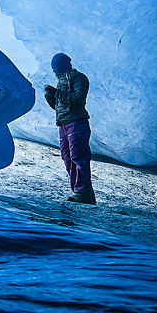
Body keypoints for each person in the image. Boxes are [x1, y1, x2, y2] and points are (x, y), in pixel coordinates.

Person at [43, 53, 96, 205]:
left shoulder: (79, 78)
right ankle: (82, 193)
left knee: (78, 157)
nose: (55, 71)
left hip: (77, 122)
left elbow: (78, 99)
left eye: (56, 67)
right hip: (64, 123)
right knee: (67, 157)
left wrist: (57, 93)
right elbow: (59, 107)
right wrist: (51, 97)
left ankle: (82, 192)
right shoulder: (61, 80)